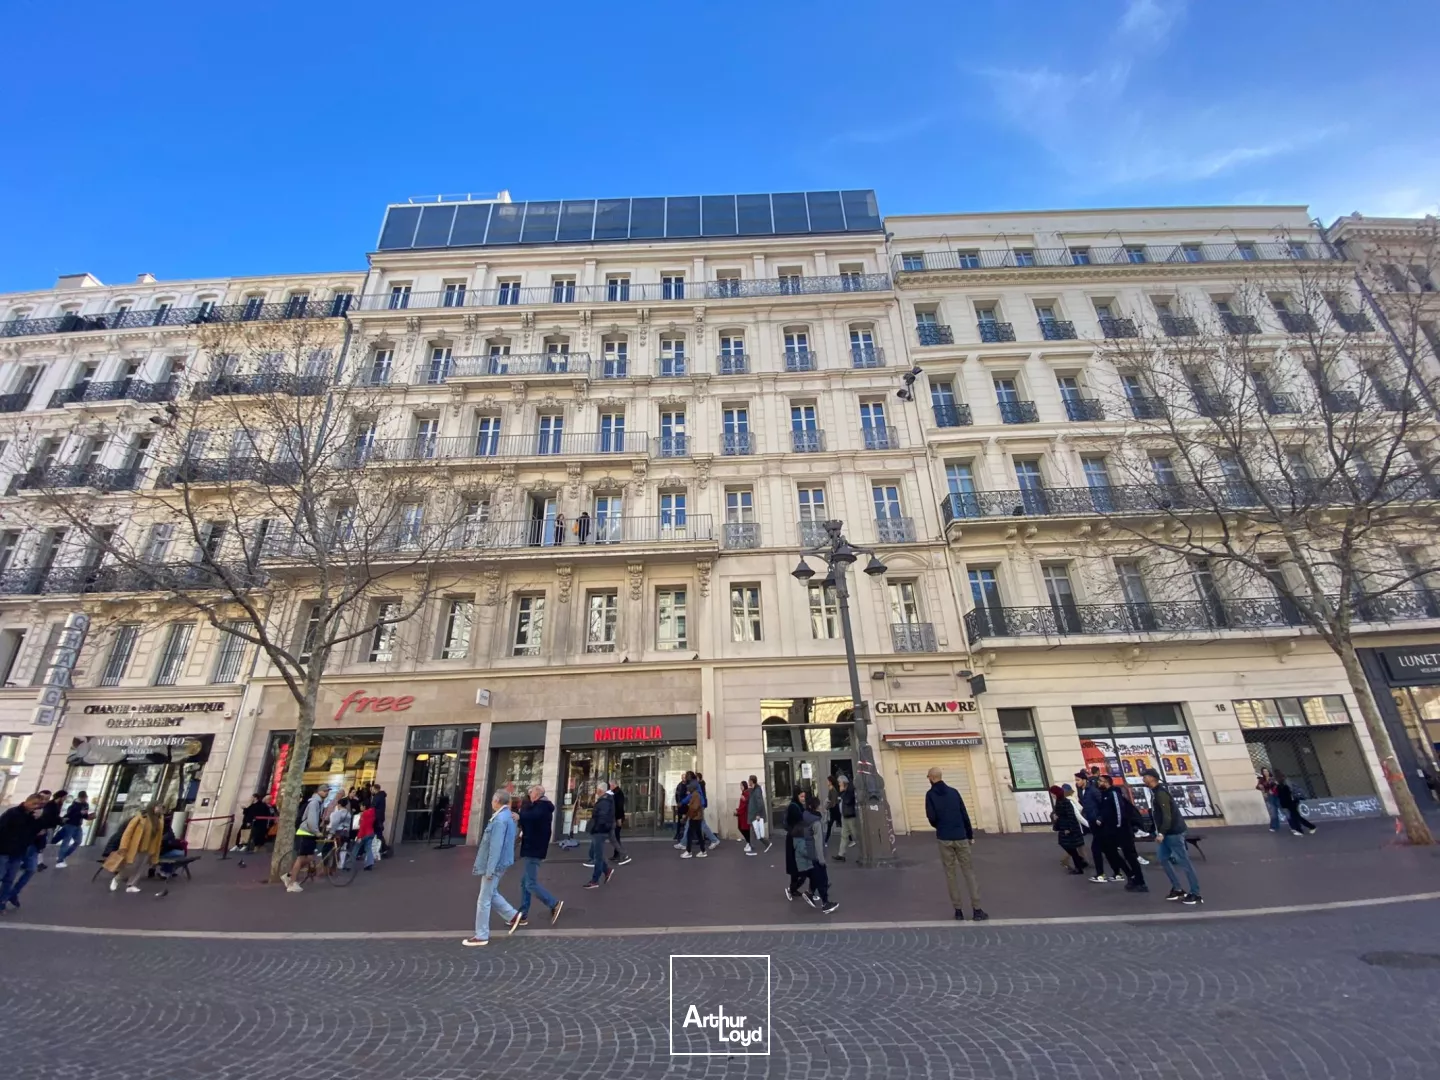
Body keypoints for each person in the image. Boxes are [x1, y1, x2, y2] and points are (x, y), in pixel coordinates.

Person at [925, 767, 988, 920]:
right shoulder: (954, 792)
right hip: (960, 836)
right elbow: (964, 813)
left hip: (944, 837)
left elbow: (931, 816)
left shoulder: (930, 795)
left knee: (950, 874)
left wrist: (940, 826)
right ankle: (977, 909)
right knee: (969, 872)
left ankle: (958, 910)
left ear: (931, 778)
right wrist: (969, 834)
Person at [463, 791, 522, 946]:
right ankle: (513, 915)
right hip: (503, 861)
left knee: (483, 899)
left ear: (496, 800)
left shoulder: (499, 820)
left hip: (496, 864)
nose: (491, 802)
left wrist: (490, 869)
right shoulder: (507, 817)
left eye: (492, 799)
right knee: (491, 892)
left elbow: (495, 847)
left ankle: (481, 935)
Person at [1142, 768, 1202, 904]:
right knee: (1163, 858)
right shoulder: (1155, 792)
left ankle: (1195, 892)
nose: (1143, 779)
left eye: (1145, 777)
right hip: (1166, 833)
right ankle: (1178, 888)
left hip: (1173, 832)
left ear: (1152, 778)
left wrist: (1162, 832)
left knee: (1184, 862)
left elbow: (1167, 815)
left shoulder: (1161, 793)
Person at [516, 785, 563, 925]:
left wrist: (520, 815)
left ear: (537, 794)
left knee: (530, 883)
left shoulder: (541, 807)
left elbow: (531, 817)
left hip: (534, 848)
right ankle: (523, 914)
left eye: (531, 793)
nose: (529, 795)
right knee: (525, 882)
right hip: (534, 847)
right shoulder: (539, 806)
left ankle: (553, 903)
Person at [1092, 775, 1147, 892]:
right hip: (1110, 830)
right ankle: (1130, 875)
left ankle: (1140, 881)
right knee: (1110, 852)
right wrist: (1101, 818)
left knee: (1130, 855)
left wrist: (1118, 827)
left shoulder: (1114, 793)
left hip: (1122, 830)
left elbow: (1119, 811)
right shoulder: (1104, 794)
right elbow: (1106, 811)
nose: (1098, 783)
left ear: (1107, 782)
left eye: (1100, 781)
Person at [0, 793, 47, 912]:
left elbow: (38, 831)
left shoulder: (33, 817)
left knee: (9, 879)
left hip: (19, 852)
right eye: (34, 803)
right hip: (4, 850)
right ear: (27, 801)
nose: (35, 806)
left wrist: (39, 819)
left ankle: (2, 903)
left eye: (38, 805)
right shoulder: (13, 813)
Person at [104, 805, 166, 894]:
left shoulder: (159, 820)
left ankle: (131, 885)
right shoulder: (141, 817)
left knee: (140, 867)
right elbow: (128, 832)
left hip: (149, 847)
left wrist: (156, 849)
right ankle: (117, 879)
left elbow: (158, 836)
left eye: (161, 808)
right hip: (136, 845)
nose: (159, 809)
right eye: (158, 807)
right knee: (131, 866)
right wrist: (124, 845)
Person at [796, 793, 839, 913]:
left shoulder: (805, 816)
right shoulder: (816, 822)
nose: (820, 808)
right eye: (819, 806)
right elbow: (818, 843)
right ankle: (825, 903)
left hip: (806, 852)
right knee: (822, 879)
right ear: (815, 807)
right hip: (815, 854)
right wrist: (822, 860)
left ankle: (810, 893)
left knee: (815, 876)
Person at [283, 784, 328, 893]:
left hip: (308, 833)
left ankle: (290, 875)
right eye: (325, 791)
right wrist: (317, 832)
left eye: (328, 791)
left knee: (309, 857)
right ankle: (292, 883)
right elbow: (311, 820)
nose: (327, 793)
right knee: (302, 857)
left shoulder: (318, 803)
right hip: (306, 832)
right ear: (319, 791)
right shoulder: (314, 803)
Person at [1050, 785, 1087, 874]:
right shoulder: (1059, 802)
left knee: (1069, 846)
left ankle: (1079, 866)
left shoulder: (1065, 802)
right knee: (1068, 846)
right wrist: (1056, 817)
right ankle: (1080, 862)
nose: (1052, 795)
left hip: (1068, 828)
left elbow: (1070, 815)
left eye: (1052, 794)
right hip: (1063, 827)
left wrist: (1068, 828)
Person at [55, 791, 92, 867]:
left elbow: (84, 815)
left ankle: (63, 856)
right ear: (80, 798)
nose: (85, 800)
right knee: (66, 841)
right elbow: (69, 815)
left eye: (86, 798)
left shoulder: (85, 805)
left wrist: (88, 816)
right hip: (70, 824)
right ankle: (60, 860)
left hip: (78, 825)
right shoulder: (73, 805)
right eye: (84, 798)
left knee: (78, 841)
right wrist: (80, 813)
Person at [1273, 772, 1317, 836]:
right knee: (1295, 816)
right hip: (1291, 802)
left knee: (1296, 816)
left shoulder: (1284, 785)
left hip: (1291, 803)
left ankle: (1307, 828)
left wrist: (1285, 804)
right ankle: (1305, 828)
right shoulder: (1283, 784)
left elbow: (1285, 795)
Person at [782, 787, 807, 899]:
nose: (803, 799)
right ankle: (793, 888)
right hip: (795, 838)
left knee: (796, 865)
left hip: (794, 837)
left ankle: (793, 888)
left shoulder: (796, 806)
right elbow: (801, 820)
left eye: (804, 797)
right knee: (798, 865)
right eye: (801, 796)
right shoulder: (794, 807)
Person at [35, 790, 64, 871]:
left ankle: (38, 863)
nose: (44, 801)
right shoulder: (36, 807)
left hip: (44, 829)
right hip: (40, 830)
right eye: (42, 798)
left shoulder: (51, 805)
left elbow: (50, 817)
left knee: (40, 847)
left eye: (47, 799)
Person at [831, 775, 858, 861]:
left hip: (850, 816)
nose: (839, 785)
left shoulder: (849, 791)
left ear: (843, 783)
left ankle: (863, 853)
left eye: (840, 783)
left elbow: (848, 800)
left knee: (856, 835)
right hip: (845, 816)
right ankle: (841, 854)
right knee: (844, 836)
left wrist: (842, 792)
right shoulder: (844, 792)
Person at [680, 780, 707, 858]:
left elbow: (694, 807)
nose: (688, 789)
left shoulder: (695, 795)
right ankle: (703, 851)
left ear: (693, 788)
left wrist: (687, 816)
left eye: (689, 787)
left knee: (689, 834)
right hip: (697, 817)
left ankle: (689, 851)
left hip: (695, 817)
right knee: (699, 834)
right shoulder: (695, 794)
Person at [608, 782, 632, 865]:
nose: (609, 786)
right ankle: (617, 854)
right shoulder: (615, 792)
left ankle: (621, 854)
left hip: (617, 818)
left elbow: (619, 807)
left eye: (610, 785)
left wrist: (619, 818)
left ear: (614, 785)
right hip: (616, 818)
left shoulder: (618, 793)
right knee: (615, 837)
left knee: (615, 837)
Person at [747, 775, 770, 853]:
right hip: (753, 814)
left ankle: (765, 844)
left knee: (755, 832)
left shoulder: (757, 790)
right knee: (754, 832)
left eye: (749, 780)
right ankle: (754, 846)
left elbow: (759, 803)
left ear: (751, 781)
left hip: (756, 815)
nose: (748, 782)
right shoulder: (753, 790)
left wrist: (758, 814)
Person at [355, 797, 378, 870]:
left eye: (361, 806)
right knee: (369, 849)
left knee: (356, 848)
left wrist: (359, 837)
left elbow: (362, 826)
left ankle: (348, 864)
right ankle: (369, 863)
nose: (360, 807)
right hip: (371, 832)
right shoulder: (372, 812)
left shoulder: (364, 814)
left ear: (364, 806)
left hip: (364, 834)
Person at [672, 773, 692, 848]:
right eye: (682, 777)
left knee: (688, 823)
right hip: (682, 806)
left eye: (685, 777)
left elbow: (689, 795)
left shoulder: (689, 785)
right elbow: (677, 795)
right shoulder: (679, 785)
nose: (684, 778)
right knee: (680, 821)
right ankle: (678, 835)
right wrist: (679, 803)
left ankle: (685, 839)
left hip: (687, 806)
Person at [736, 780, 754, 855]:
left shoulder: (746, 793)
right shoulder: (745, 793)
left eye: (741, 786)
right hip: (743, 814)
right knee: (743, 828)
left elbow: (744, 805)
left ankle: (749, 842)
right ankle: (748, 842)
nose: (740, 787)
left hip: (744, 814)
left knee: (743, 828)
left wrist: (738, 811)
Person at [371, 783, 390, 856]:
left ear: (375, 789)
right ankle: (384, 848)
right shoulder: (381, 796)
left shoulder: (377, 797)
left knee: (378, 834)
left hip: (377, 818)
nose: (371, 790)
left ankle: (384, 848)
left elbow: (373, 807)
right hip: (379, 817)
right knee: (378, 834)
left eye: (372, 789)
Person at [824, 776, 841, 848]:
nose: (827, 782)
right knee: (839, 824)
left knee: (830, 825)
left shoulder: (832, 790)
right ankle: (851, 840)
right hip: (833, 810)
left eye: (827, 781)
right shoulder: (831, 789)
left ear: (830, 782)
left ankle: (825, 841)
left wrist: (827, 807)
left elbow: (833, 802)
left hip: (834, 809)